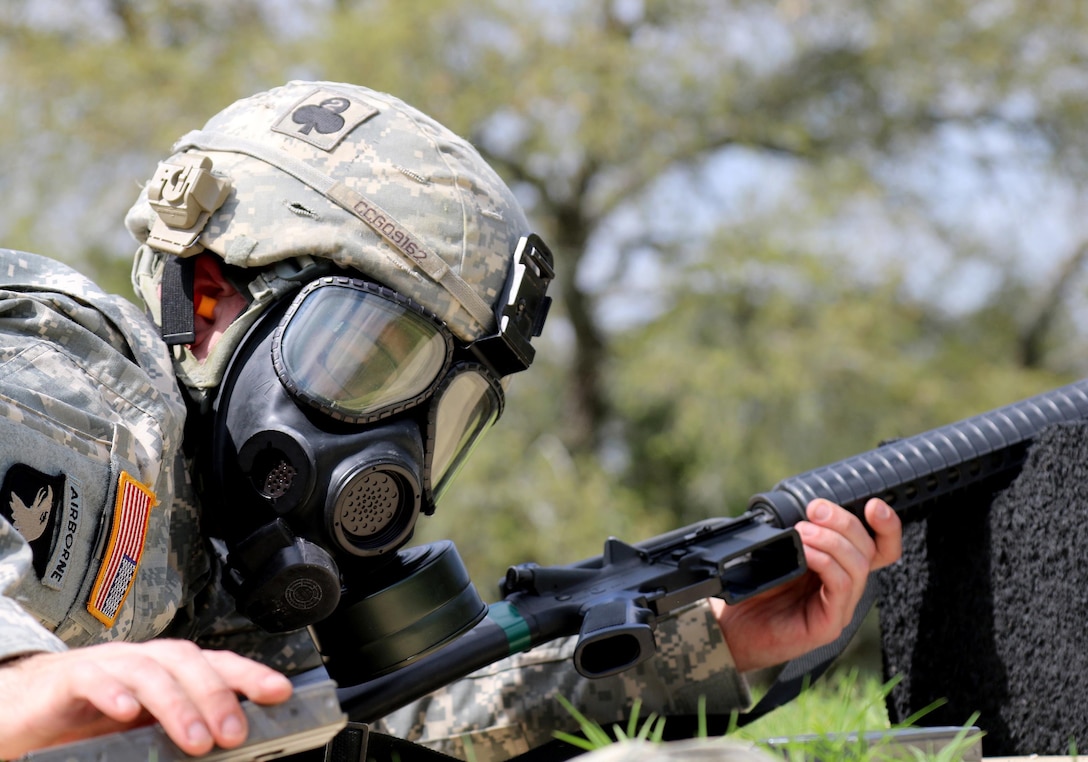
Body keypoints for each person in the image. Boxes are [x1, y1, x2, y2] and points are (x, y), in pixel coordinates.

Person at [0, 80, 902, 761]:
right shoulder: (81, 381)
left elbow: (386, 724)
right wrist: (23, 679)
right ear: (208, 297)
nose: (390, 451)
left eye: (444, 409)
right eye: (362, 360)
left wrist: (712, 642)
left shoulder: (231, 548)